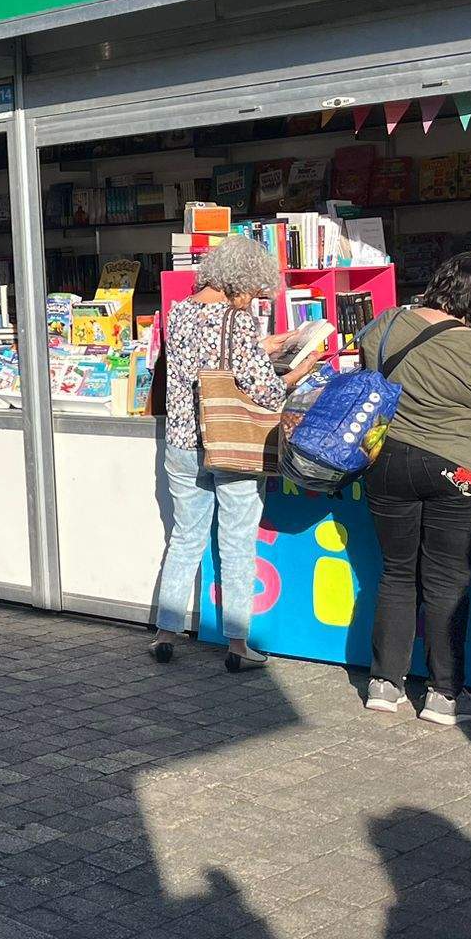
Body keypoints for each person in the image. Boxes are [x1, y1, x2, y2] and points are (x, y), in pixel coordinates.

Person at [357, 252, 471, 724]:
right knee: (448, 579)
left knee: (396, 572)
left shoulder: (384, 325)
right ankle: (444, 695)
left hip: (387, 464)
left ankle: (384, 684)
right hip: (461, 474)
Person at [150, 235, 319, 671]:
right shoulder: (238, 320)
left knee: (185, 538)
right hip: (231, 445)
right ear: (242, 281)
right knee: (237, 542)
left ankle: (165, 634)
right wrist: (299, 370)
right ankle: (238, 644)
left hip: (184, 441)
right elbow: (263, 390)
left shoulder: (180, 311)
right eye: (253, 291)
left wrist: (269, 346)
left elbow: (204, 361)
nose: (252, 300)